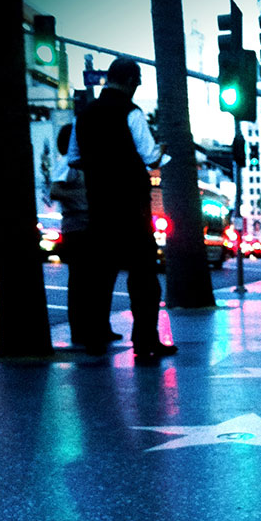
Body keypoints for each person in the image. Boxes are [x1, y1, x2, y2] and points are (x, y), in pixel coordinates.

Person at [69, 57, 177, 363]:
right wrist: (163, 150)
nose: (139, 84)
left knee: (99, 279)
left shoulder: (84, 115)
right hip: (132, 210)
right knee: (144, 281)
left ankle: (94, 338)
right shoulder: (132, 113)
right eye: (138, 79)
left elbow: (74, 158)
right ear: (129, 79)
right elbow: (151, 156)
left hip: (100, 210)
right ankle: (145, 341)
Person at [50, 123, 122, 349]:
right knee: (82, 281)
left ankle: (99, 327)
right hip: (77, 227)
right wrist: (84, 196)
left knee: (96, 280)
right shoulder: (67, 165)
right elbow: (55, 190)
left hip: (91, 226)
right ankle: (82, 330)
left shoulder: (86, 164)